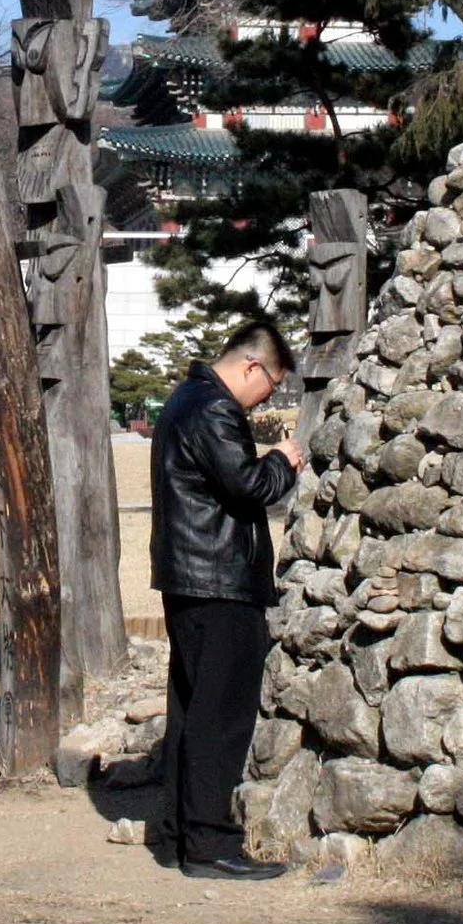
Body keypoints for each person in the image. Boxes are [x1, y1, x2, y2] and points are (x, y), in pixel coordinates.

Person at [146, 318, 300, 881]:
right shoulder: (214, 408)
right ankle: (210, 844)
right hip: (219, 581)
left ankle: (177, 835)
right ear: (251, 366)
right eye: (273, 384)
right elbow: (250, 486)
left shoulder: (185, 399)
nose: (271, 397)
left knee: (191, 710)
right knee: (220, 716)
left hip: (191, 577)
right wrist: (283, 459)